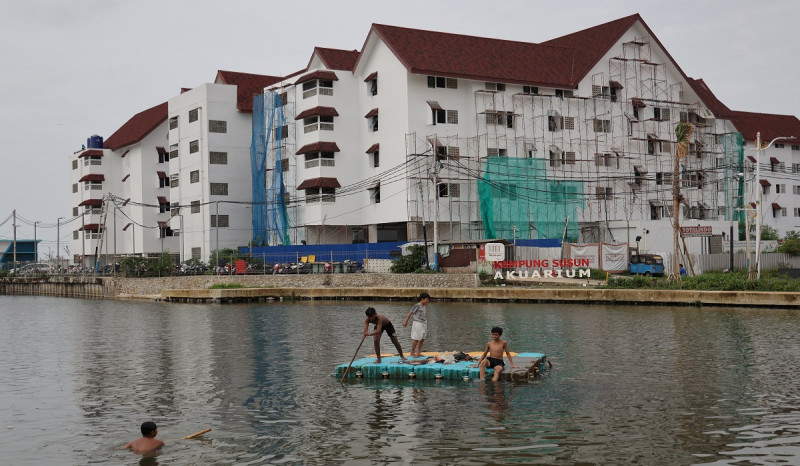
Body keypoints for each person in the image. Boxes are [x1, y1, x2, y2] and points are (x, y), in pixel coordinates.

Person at [403, 292, 431, 358]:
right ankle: (412, 352)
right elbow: (410, 313)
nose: (428, 301)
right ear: (422, 299)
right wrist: (406, 321)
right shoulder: (417, 306)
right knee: (416, 338)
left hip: (423, 323)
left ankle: (418, 352)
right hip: (417, 323)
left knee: (422, 338)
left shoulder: (424, 306)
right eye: (427, 299)